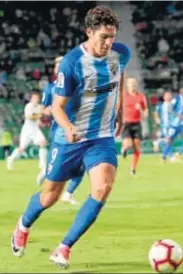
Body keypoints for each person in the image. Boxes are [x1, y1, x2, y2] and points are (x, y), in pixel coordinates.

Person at [11, 5, 131, 268]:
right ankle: (23, 224)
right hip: (69, 139)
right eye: (103, 37)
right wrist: (68, 128)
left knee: (102, 187)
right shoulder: (72, 62)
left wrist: (120, 107)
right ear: (89, 33)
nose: (109, 43)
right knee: (49, 196)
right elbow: (56, 106)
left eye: (112, 36)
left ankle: (64, 247)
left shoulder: (121, 54)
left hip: (101, 137)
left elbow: (119, 77)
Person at [41, 56, 82, 204]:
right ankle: (48, 174)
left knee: (81, 166)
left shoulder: (78, 85)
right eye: (58, 65)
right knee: (60, 170)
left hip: (77, 130)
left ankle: (68, 193)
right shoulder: (50, 88)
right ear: (55, 69)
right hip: (59, 131)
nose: (60, 67)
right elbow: (43, 109)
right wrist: (50, 110)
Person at [7, 91, 48, 185]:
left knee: (43, 142)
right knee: (22, 149)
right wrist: (40, 114)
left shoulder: (39, 107)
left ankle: (42, 164)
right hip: (27, 131)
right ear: (31, 99)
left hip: (35, 130)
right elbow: (29, 117)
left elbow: (38, 119)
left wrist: (41, 122)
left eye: (37, 98)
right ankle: (11, 159)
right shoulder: (29, 106)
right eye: (34, 98)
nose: (36, 99)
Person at [121, 77, 148, 175]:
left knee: (137, 147)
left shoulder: (141, 97)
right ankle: (124, 149)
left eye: (134, 83)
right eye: (131, 83)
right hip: (126, 124)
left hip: (137, 124)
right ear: (127, 85)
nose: (133, 85)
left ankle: (133, 168)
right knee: (128, 144)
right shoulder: (123, 96)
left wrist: (140, 109)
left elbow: (146, 114)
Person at [162, 87, 183, 162]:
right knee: (170, 140)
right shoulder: (177, 99)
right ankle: (164, 156)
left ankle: (179, 154)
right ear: (180, 91)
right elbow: (170, 108)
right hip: (175, 123)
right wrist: (178, 115)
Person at [153, 90, 175, 161]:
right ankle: (171, 156)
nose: (168, 97)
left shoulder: (173, 105)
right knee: (169, 139)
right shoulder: (161, 105)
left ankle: (159, 142)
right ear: (164, 97)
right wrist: (157, 119)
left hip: (172, 125)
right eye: (167, 95)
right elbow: (155, 112)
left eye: (169, 95)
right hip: (164, 125)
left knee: (169, 140)